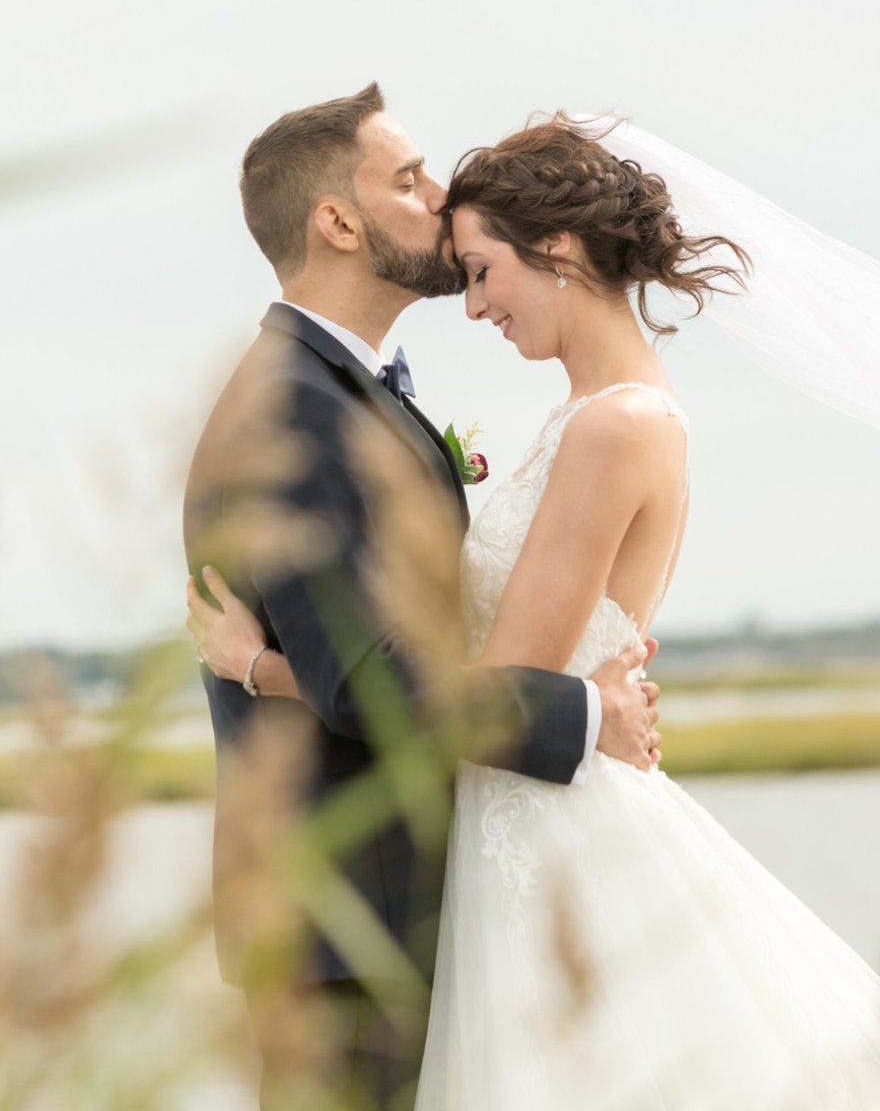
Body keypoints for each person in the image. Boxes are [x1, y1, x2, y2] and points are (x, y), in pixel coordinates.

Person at [190, 111, 880, 1109]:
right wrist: (589, 704)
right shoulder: (592, 416)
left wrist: (262, 666)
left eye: (484, 270)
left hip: (539, 827)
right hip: (504, 828)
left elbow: (498, 685)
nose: (474, 302)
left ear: (561, 250)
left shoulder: (614, 426)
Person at [182, 84, 660, 1110]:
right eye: (408, 179)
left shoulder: (350, 390)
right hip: (343, 942)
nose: (440, 199)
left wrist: (265, 668)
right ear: (337, 222)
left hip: (402, 919)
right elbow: (368, 685)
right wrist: (587, 715)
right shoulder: (297, 409)